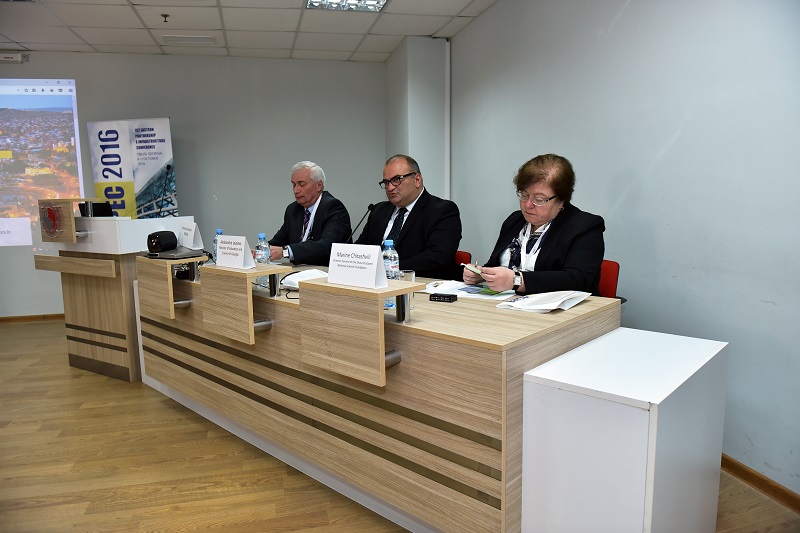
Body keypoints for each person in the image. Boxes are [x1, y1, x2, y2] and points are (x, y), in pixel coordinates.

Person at [464, 154, 604, 294]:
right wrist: (481, 275)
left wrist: (517, 281)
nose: (528, 205)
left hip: (556, 306)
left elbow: (577, 279)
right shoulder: (514, 221)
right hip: (506, 302)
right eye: (524, 195)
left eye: (539, 199)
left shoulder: (585, 227)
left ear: (561, 200)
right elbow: (496, 265)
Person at [356, 154, 462, 280]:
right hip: (374, 283)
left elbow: (438, 256)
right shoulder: (378, 210)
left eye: (396, 180)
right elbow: (360, 249)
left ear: (417, 180)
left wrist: (388, 268)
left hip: (421, 284)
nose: (390, 187)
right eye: (386, 182)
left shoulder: (442, 210)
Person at [268, 161, 352, 266]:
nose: (296, 190)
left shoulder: (333, 207)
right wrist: (261, 250)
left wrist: (286, 251)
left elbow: (326, 245)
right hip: (299, 271)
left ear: (319, 185)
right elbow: (278, 242)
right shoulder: (293, 209)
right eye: (294, 185)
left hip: (326, 271)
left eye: (301, 184)